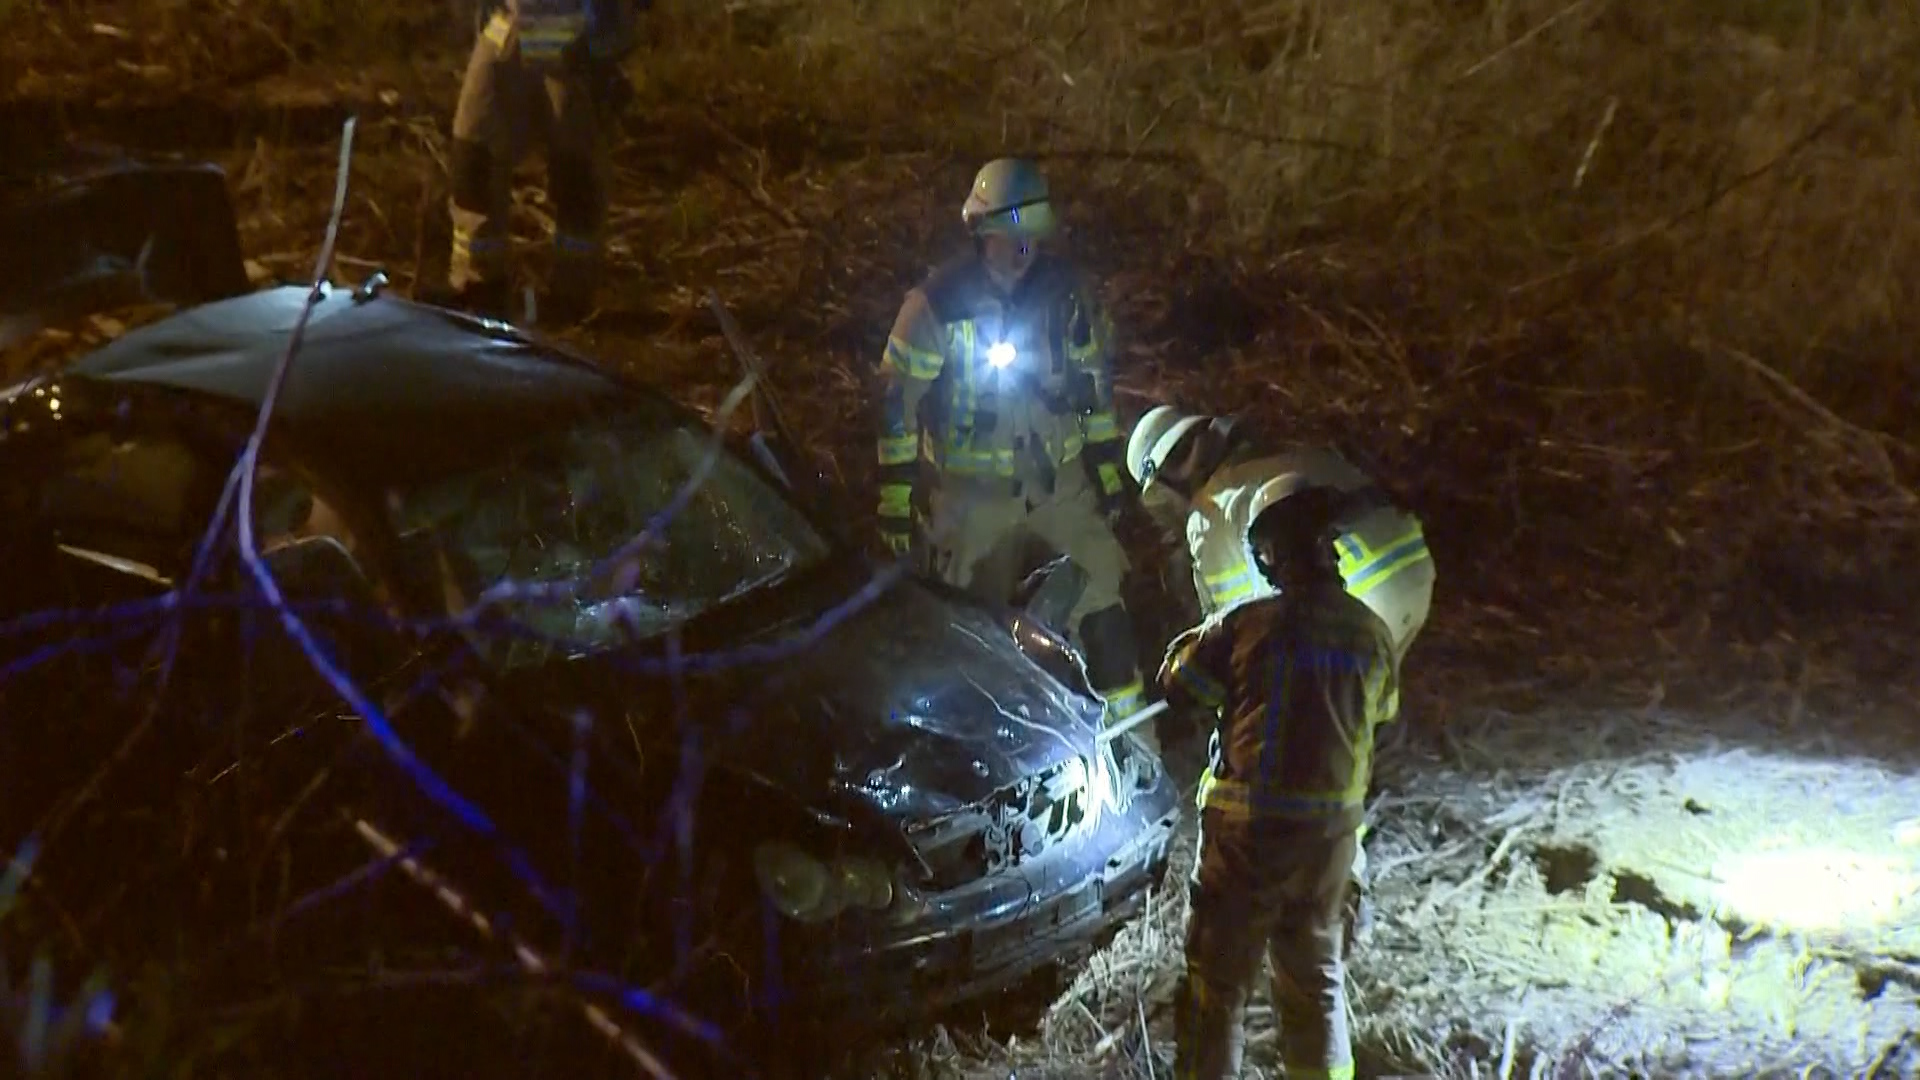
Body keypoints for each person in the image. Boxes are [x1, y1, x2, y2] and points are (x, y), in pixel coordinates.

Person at [1126, 404, 1436, 936]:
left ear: (1164, 480)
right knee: (1348, 730)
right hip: (1410, 578)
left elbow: (1240, 629)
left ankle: (1335, 894)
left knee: (1319, 744)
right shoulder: (1278, 457)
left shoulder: (1212, 509)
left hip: (1355, 598)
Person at [873, 158, 1154, 742]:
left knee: (1104, 613)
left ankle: (1134, 750)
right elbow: (896, 405)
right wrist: (896, 500)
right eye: (1011, 231)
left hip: (1061, 488)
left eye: (1034, 231)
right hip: (971, 502)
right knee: (975, 637)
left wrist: (1107, 468)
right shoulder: (936, 304)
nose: (1025, 246)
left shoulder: (1067, 294)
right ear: (982, 229)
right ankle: (989, 759)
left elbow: (1093, 386)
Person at [1157, 485, 1399, 1080]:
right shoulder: (1373, 633)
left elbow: (1179, 687)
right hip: (1330, 842)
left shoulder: (1247, 623)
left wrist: (1205, 634)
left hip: (1249, 840)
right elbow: (1382, 720)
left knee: (1215, 991)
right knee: (1316, 987)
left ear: (1271, 557)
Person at [436, 0, 649, 323]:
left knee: (576, 174)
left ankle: (571, 296)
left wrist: (604, 41)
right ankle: (478, 284)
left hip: (578, 45)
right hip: (506, 29)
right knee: (474, 155)